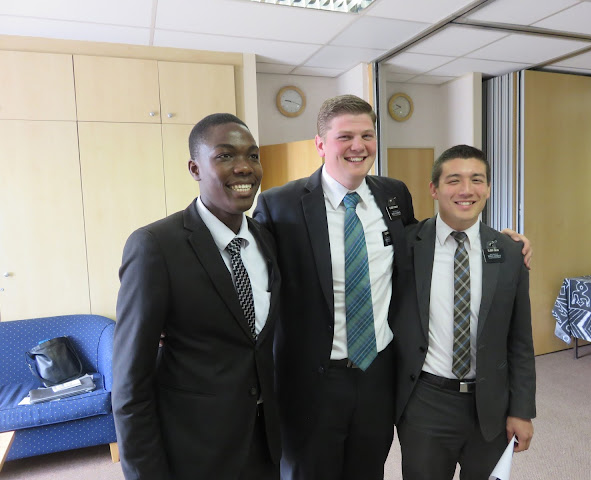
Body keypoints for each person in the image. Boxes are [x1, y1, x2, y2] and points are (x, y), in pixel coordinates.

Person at [253, 95, 532, 480]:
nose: (358, 146)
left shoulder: (392, 195)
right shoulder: (279, 204)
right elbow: (255, 282)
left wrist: (500, 243)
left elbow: (429, 244)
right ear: (320, 144)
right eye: (345, 136)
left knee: (369, 470)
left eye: (367, 135)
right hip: (313, 380)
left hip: (378, 375)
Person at [112, 113, 281, 480]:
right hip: (194, 450)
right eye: (225, 156)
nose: (244, 167)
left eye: (252, 156)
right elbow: (130, 383)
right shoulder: (155, 246)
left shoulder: (266, 240)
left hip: (264, 444)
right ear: (195, 168)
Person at [394, 144, 536, 480]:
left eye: (477, 180)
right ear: (434, 189)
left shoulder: (509, 252)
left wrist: (522, 410)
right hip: (425, 401)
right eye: (454, 180)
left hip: (490, 404)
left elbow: (520, 340)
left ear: (488, 188)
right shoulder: (404, 245)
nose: (466, 190)